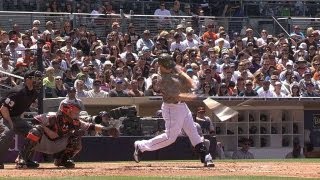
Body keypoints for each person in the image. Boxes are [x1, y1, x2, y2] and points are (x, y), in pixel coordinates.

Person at [133, 53, 214, 167]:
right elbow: (178, 96)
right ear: (160, 65)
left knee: (193, 131)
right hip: (172, 108)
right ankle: (141, 146)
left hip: (183, 107)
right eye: (167, 65)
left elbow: (182, 74)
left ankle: (205, 156)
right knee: (170, 138)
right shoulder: (162, 80)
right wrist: (196, 97)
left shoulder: (171, 66)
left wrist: (193, 85)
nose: (170, 66)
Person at [16, 102, 119, 169]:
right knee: (36, 130)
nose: (77, 115)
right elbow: (35, 121)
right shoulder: (52, 117)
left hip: (56, 145)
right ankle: (23, 158)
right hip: (42, 143)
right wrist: (47, 130)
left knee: (76, 135)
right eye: (75, 112)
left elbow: (90, 126)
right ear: (67, 111)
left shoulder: (75, 121)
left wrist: (106, 129)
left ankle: (62, 160)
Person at [0, 70, 43, 169]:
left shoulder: (34, 92)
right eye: (35, 78)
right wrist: (10, 123)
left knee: (35, 132)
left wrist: (19, 121)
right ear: (27, 80)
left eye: (38, 78)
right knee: (8, 133)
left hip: (15, 117)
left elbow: (21, 107)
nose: (38, 80)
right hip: (3, 116)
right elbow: (3, 108)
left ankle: (23, 158)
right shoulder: (18, 91)